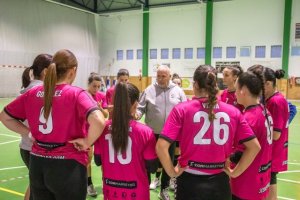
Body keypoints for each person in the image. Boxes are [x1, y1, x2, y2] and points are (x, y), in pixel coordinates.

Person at [0, 49, 105, 200]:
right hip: (68, 165)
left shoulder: (33, 93)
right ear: (72, 71)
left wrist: (29, 133)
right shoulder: (76, 94)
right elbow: (99, 121)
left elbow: (5, 117)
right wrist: (87, 141)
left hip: (38, 164)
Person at [156, 65, 261, 200]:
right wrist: (235, 173)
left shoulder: (181, 110)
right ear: (215, 85)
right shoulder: (233, 111)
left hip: (189, 181)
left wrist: (171, 171)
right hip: (220, 183)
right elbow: (254, 147)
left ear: (195, 85)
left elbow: (161, 146)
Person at [93, 82, 158, 200]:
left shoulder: (102, 128)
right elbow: (152, 167)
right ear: (135, 104)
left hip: (111, 192)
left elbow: (97, 161)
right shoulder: (145, 132)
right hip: (136, 192)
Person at [136, 65, 187, 200]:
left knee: (167, 163)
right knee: (147, 161)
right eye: (158, 75)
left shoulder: (178, 91)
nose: (160, 78)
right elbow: (140, 108)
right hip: (151, 134)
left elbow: (186, 110)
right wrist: (136, 114)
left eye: (163, 76)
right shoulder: (149, 90)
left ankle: (163, 189)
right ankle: (144, 186)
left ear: (169, 76)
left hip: (170, 135)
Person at [248, 65, 289, 200]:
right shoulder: (274, 99)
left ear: (268, 83)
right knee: (269, 181)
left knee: (270, 181)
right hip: (273, 150)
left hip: (274, 151)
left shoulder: (276, 101)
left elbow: (276, 134)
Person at [231, 71, 273, 199]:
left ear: (243, 90)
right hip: (262, 177)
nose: (235, 92)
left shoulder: (249, 118)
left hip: (246, 183)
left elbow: (242, 153)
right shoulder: (265, 111)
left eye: (236, 88)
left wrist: (233, 172)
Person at [19, 54, 53, 200]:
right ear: (46, 72)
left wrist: (27, 132)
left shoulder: (28, 89)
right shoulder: (39, 91)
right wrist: (30, 132)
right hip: (34, 150)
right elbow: (6, 116)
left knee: (35, 185)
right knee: (42, 189)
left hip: (26, 147)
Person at [85, 72, 109, 197]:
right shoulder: (83, 95)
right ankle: (89, 184)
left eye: (99, 86)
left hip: (99, 132)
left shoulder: (101, 96)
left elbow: (106, 114)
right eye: (94, 86)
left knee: (103, 159)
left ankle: (106, 184)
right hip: (86, 132)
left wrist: (100, 108)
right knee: (87, 159)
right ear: (88, 84)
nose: (96, 89)